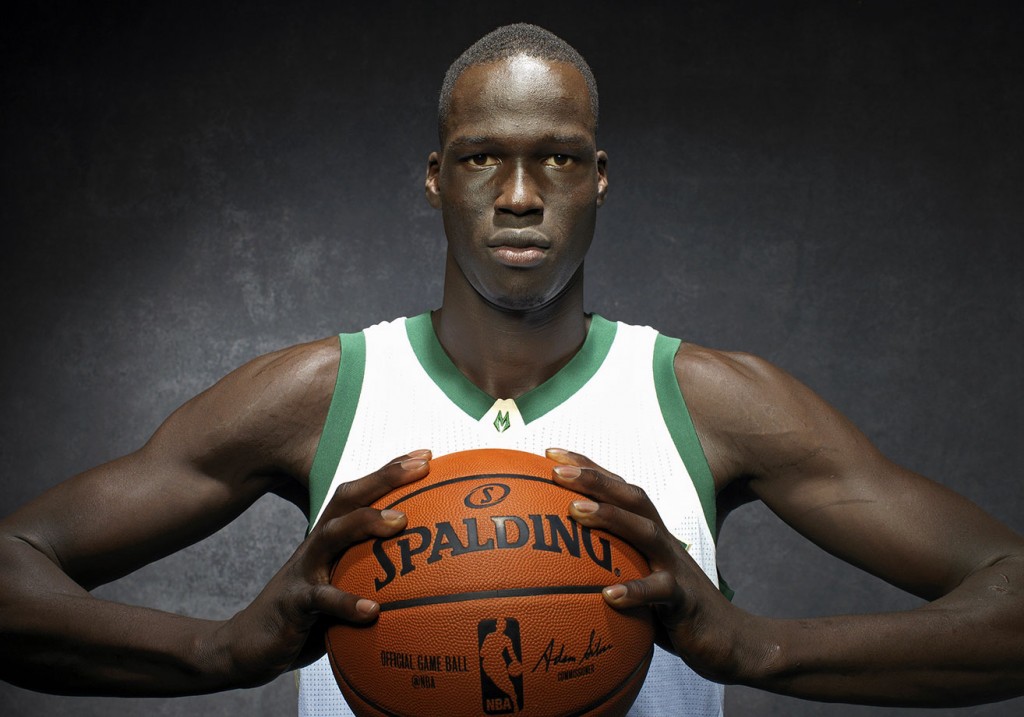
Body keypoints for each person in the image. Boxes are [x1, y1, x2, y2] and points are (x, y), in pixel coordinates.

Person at [0, 22, 1021, 716]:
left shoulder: (708, 403)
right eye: (484, 156)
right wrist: (220, 649)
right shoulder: (314, 398)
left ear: (599, 178)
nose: (522, 193)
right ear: (437, 178)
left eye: (559, 157)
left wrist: (757, 648)